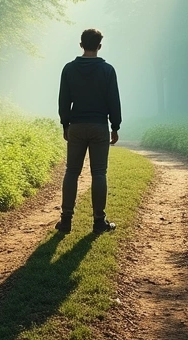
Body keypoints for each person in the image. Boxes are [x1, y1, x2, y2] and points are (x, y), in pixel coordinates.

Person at [56, 28, 122, 235]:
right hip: (99, 126)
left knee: (72, 171)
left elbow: (64, 100)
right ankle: (98, 222)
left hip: (76, 125)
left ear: (81, 44)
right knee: (99, 173)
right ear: (99, 46)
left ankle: (66, 221)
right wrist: (115, 126)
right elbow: (114, 100)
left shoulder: (69, 69)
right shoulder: (108, 70)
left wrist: (65, 124)